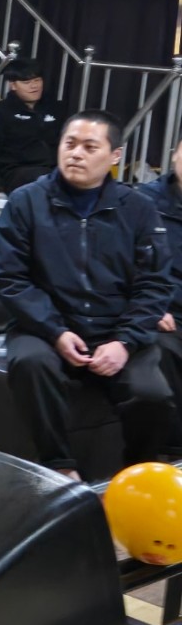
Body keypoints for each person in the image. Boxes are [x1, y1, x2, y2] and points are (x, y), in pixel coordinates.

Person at [0, 109, 174, 481]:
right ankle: (60, 467)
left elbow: (155, 283)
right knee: (32, 364)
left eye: (90, 147)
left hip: (115, 328)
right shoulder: (27, 201)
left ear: (114, 155)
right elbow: (9, 277)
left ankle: (136, 475)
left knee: (152, 394)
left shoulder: (138, 208)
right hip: (45, 326)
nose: (76, 153)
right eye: (70, 143)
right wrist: (55, 331)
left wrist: (124, 341)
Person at [138, 138, 182, 448]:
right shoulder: (144, 202)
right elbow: (124, 262)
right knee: (163, 347)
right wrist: (151, 305)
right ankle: (175, 452)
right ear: (174, 156)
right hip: (164, 310)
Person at [0, 57, 61, 206]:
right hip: (15, 172)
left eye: (37, 80)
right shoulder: (0, 112)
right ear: (13, 85)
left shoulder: (53, 108)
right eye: (26, 82)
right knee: (42, 179)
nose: (34, 86)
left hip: (51, 170)